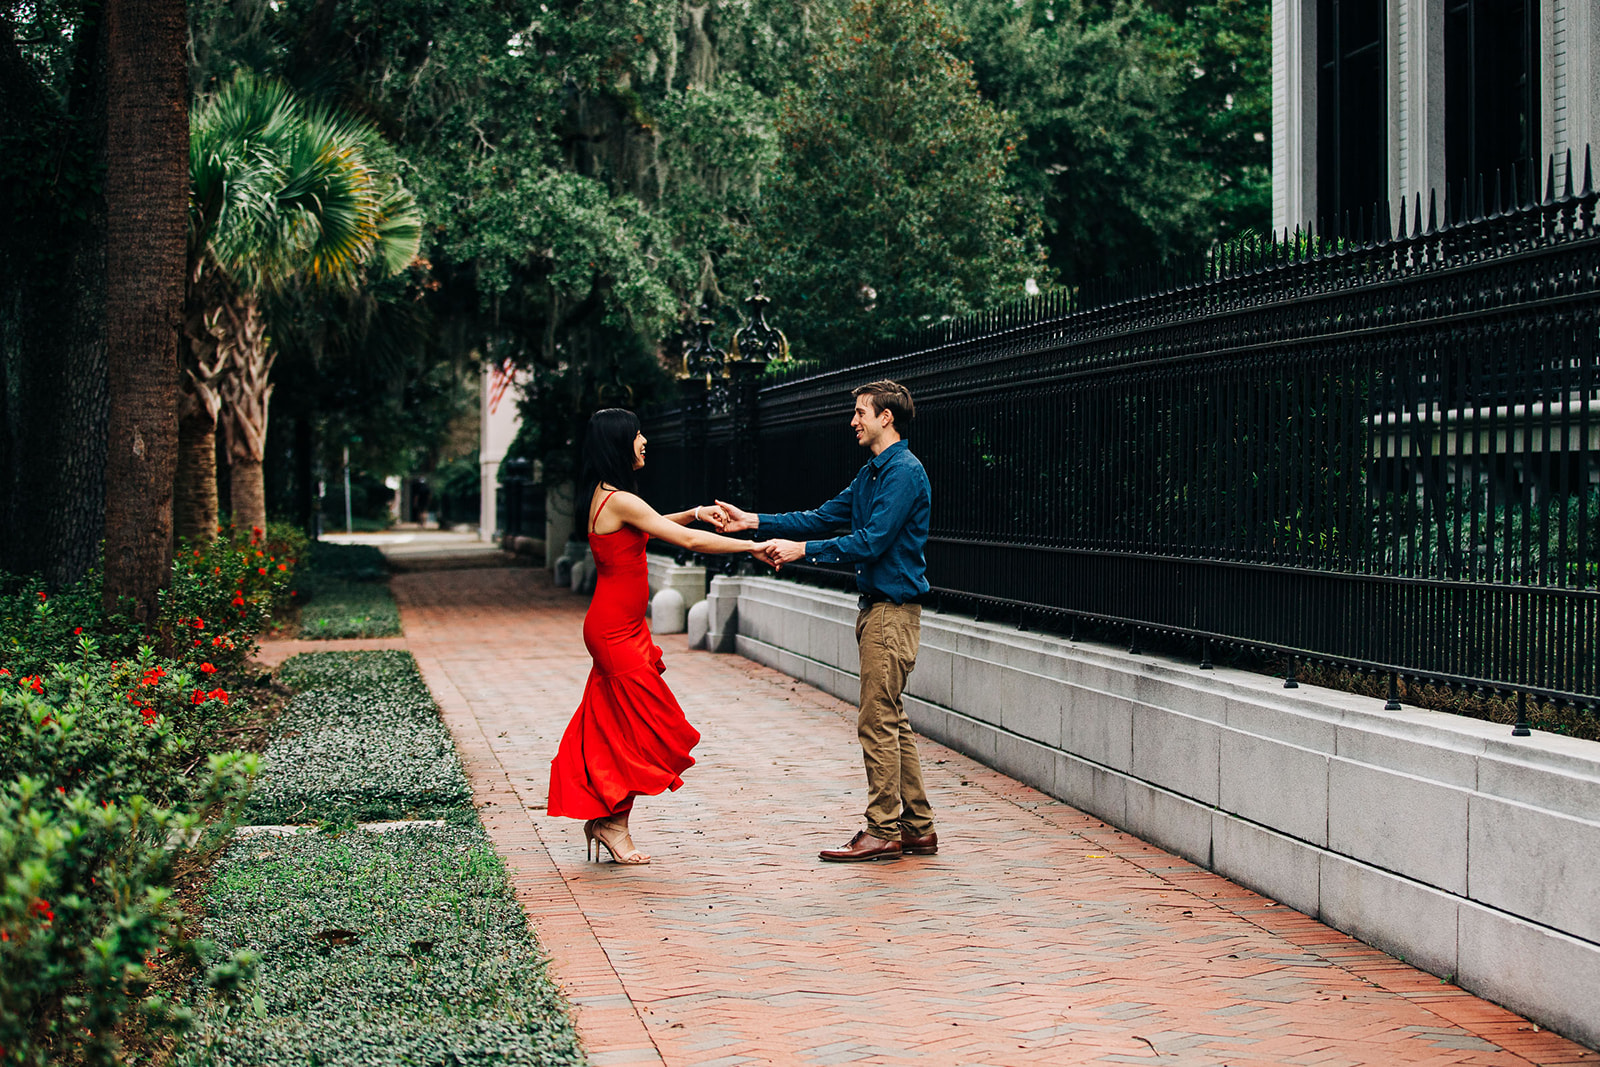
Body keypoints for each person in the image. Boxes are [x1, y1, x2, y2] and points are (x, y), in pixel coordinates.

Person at [714, 380, 936, 862]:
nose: (853, 421)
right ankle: (917, 827)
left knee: (876, 722)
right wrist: (752, 521)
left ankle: (882, 830)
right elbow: (819, 517)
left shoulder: (903, 473)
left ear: (886, 418)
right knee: (891, 720)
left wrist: (803, 552)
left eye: (860, 412)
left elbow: (871, 541)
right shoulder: (873, 474)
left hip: (892, 614)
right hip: (878, 610)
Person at [546, 408, 773, 864]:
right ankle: (611, 822)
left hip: (619, 628)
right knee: (652, 726)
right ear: (618, 444)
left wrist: (693, 512)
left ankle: (609, 820)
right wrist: (752, 546)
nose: (645, 440)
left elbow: (650, 526)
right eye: (636, 434)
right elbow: (685, 542)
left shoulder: (610, 496)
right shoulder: (619, 499)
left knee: (616, 728)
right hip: (615, 633)